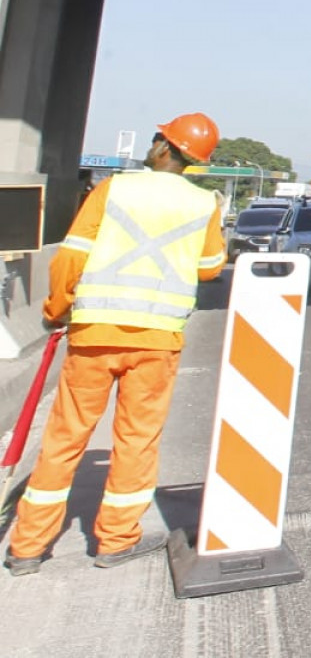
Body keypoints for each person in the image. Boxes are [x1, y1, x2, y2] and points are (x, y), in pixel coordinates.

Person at [6, 114, 227, 576]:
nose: (151, 144)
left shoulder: (113, 189)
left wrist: (56, 309)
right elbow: (210, 266)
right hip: (157, 339)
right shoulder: (203, 202)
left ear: (165, 147)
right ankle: (116, 541)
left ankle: (28, 547)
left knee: (65, 437)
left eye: (157, 138)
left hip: (95, 334)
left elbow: (71, 258)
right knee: (138, 440)